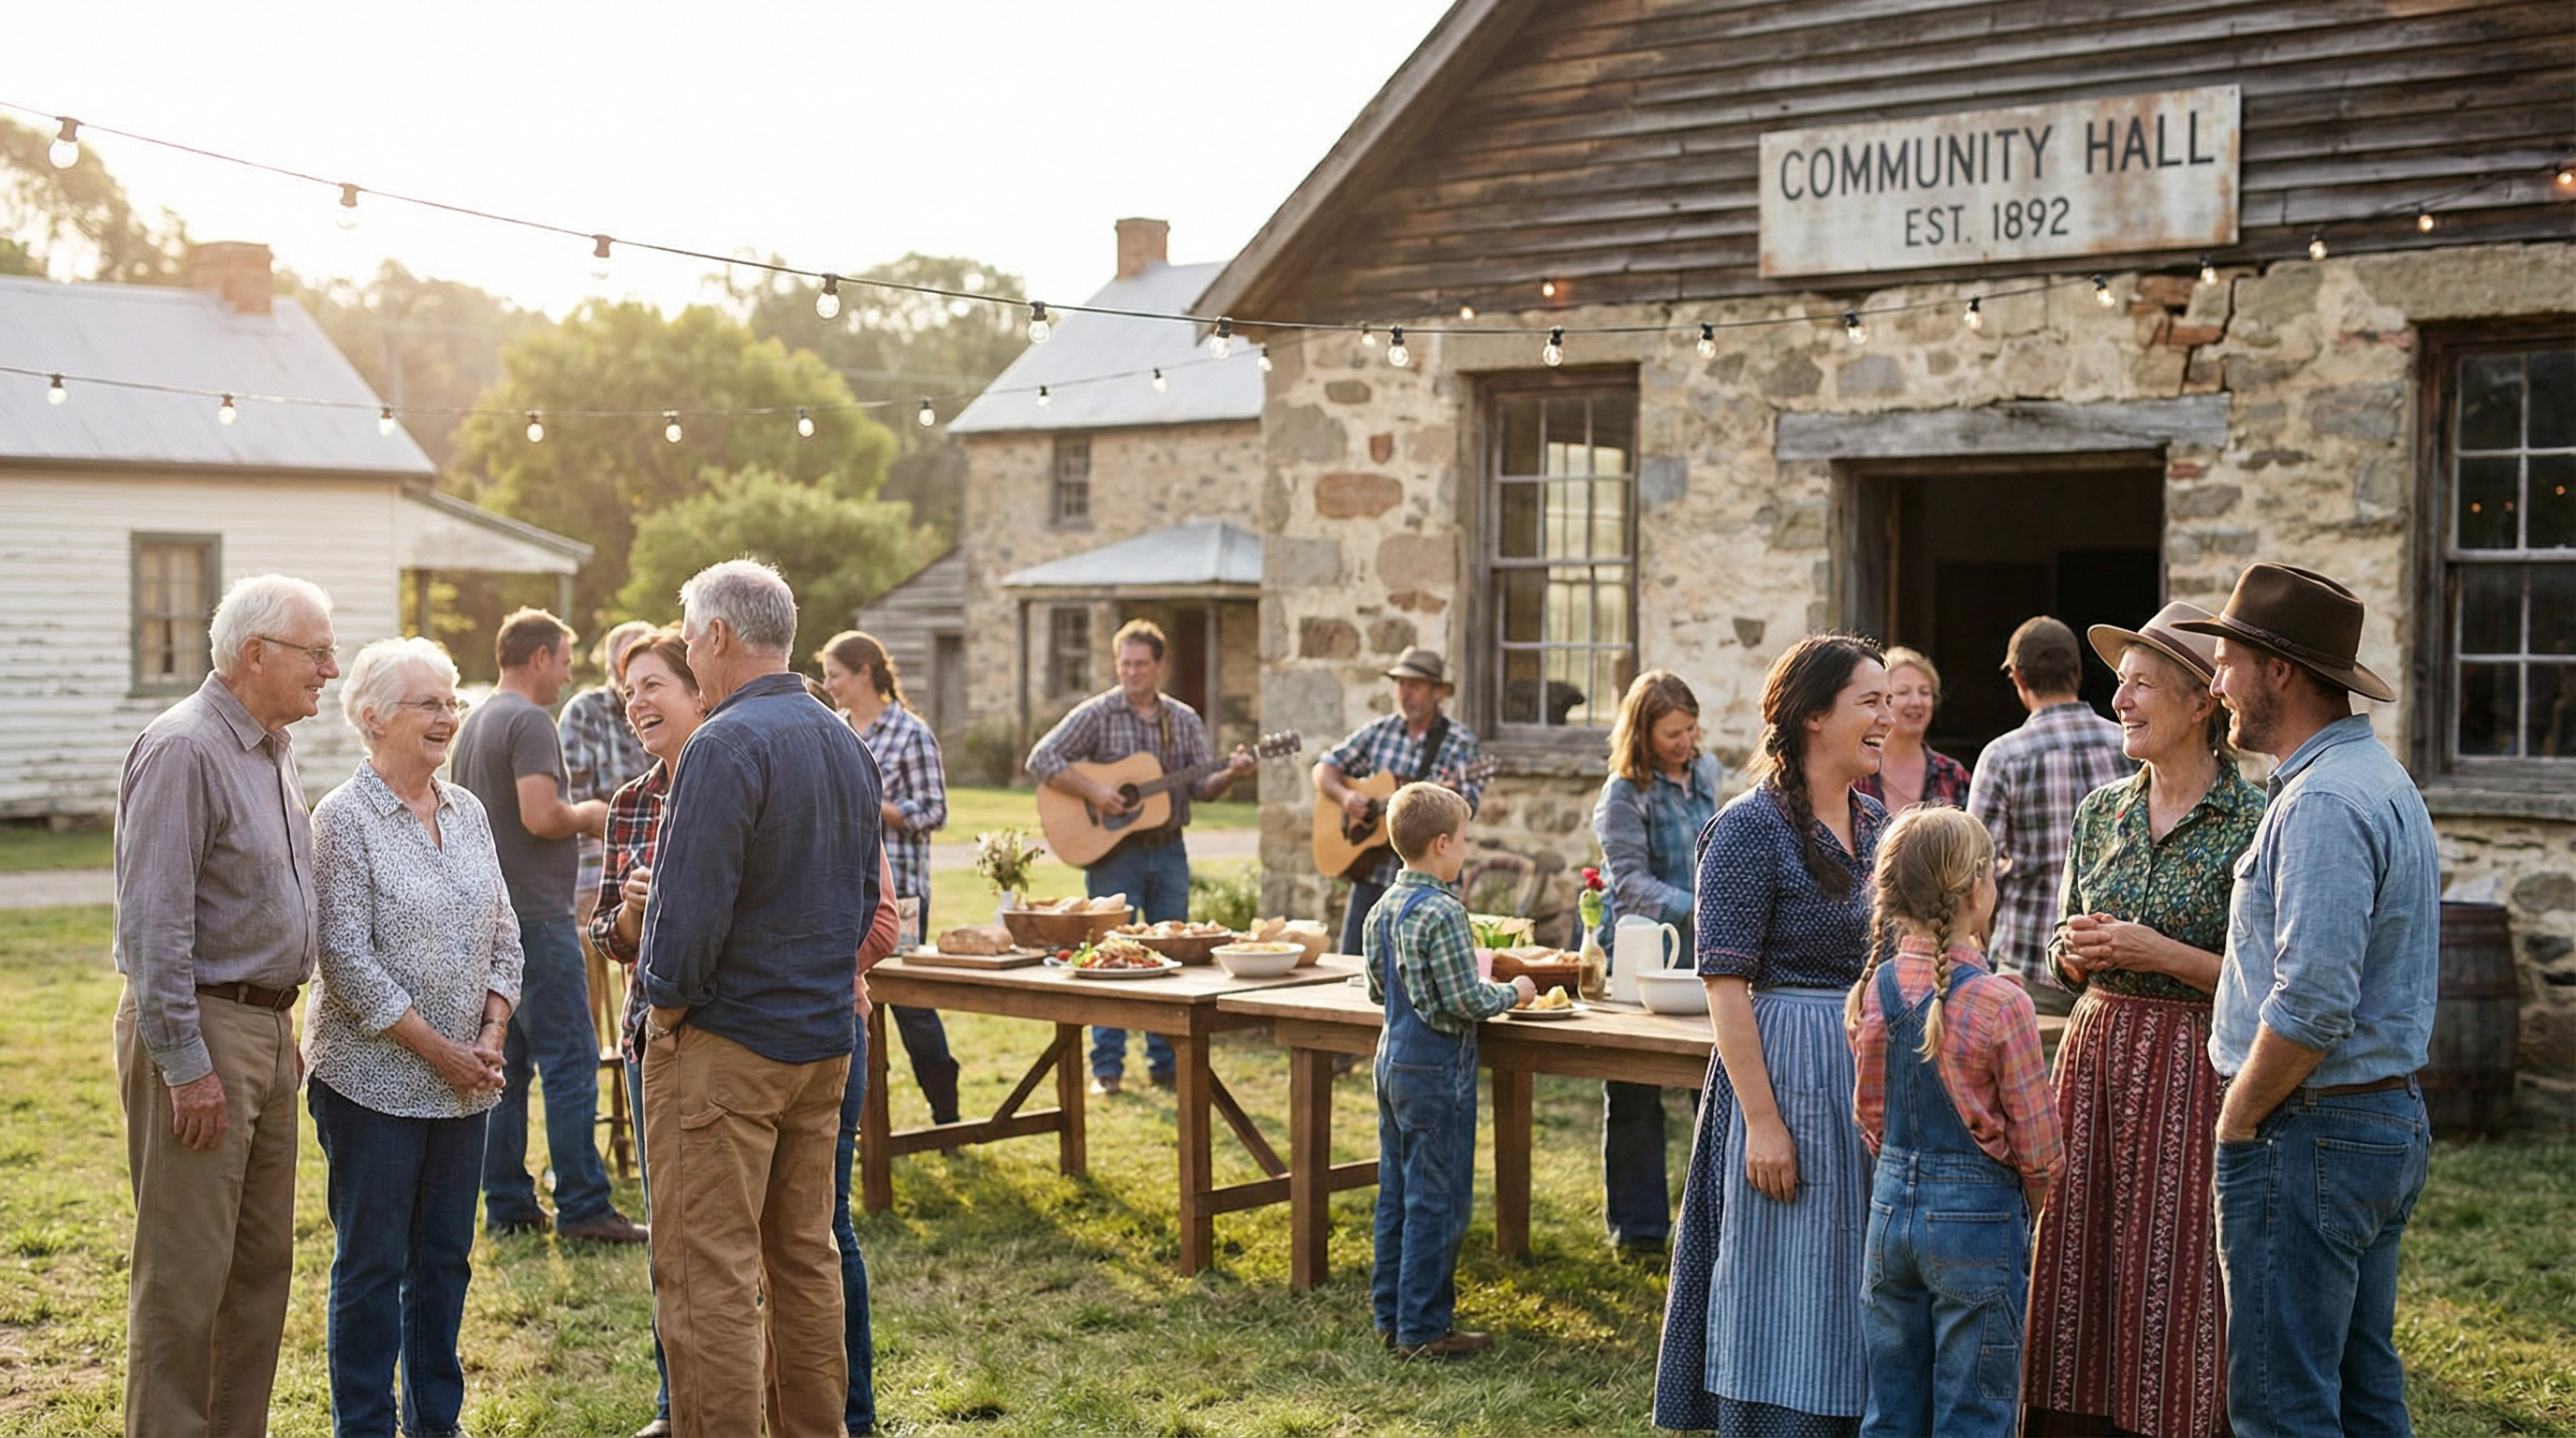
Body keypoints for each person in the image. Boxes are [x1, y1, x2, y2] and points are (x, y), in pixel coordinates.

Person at [2176, 565, 2439, 1438]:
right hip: (2371, 1122)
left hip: (2311, 1128)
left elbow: (2315, 1003)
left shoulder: (2324, 801)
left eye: (2223, 662)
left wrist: (2238, 1119)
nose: (2216, 685)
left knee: (2282, 1405)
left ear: (2277, 670)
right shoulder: (2374, 777)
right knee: (2362, 1390)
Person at [637, 560, 884, 1438]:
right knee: (805, 1261)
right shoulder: (845, 739)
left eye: (690, 636)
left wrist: (662, 1012)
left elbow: (689, 911)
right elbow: (864, 900)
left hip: (729, 1048)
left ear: (717, 638)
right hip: (821, 1044)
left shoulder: (723, 743)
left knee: (708, 1278)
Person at [2024, 602, 2262, 1438]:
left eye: (2141, 686)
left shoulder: (2254, 821)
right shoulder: (2101, 813)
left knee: (2180, 1258)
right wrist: (2075, 953)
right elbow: (2058, 943)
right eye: (2118, 685)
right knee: (2081, 1246)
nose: (2119, 701)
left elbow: (2265, 982)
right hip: (2095, 1055)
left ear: (2204, 703)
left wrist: (2160, 953)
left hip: (2198, 1065)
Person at [112, 572, 335, 1438]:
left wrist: (280, 1029)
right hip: (201, 1030)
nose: (329, 668)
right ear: (256, 654)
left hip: (265, 1031)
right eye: (315, 653)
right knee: (184, 1275)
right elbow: (152, 923)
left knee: (257, 1269)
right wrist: (186, 1063)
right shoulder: (185, 749)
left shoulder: (270, 749)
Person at [1655, 635, 1891, 1437]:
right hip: (1781, 1072)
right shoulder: (1747, 830)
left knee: (1849, 1271)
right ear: (1814, 716)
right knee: (1781, 1274)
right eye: (1870, 701)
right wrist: (1762, 1121)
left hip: (1862, 1073)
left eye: (1889, 701)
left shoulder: (1879, 822)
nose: (1886, 718)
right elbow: (1723, 984)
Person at [305, 638, 523, 1438]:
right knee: (372, 1268)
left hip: (469, 1084)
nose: (446, 716)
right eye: (427, 703)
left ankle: (438, 1421)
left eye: (450, 701)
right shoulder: (343, 819)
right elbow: (348, 962)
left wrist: (491, 1033)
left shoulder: (467, 811)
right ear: (372, 718)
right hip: (370, 1083)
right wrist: (444, 1051)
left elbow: (507, 934)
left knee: (444, 1264)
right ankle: (364, 1425)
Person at [1848, 806, 2061, 1438]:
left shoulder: (1875, 991)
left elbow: (1871, 1119)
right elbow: (2042, 1153)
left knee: (1891, 1408)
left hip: (1889, 1217)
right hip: (1978, 1226)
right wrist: (2026, 1211)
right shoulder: (2002, 1003)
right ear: (1976, 892)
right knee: (1973, 1412)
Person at [448, 609, 640, 1243]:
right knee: (572, 1058)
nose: (566, 672)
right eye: (563, 658)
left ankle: (506, 1203)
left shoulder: (477, 721)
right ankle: (585, 1205)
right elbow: (539, 814)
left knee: (510, 1065)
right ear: (537, 659)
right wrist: (590, 814)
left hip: (490, 917)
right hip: (537, 917)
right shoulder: (530, 720)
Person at [1026, 618, 1255, 1093]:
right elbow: (1041, 759)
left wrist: (1232, 773)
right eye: (1124, 663)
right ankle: (1106, 1068)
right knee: (1109, 954)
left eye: (1140, 664)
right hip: (1114, 854)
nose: (1131, 672)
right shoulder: (1098, 713)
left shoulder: (1183, 720)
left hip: (1168, 850)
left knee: (1176, 956)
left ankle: (1169, 1063)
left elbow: (1204, 788)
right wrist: (1095, 791)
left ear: (1160, 666)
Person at [1365, 783, 1538, 1359]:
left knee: (1397, 1191)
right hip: (1436, 1069)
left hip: (1390, 1062)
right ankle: (1423, 1329)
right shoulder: (1443, 910)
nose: (1466, 848)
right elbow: (1465, 999)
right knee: (1439, 1199)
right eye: (1464, 839)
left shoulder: (1380, 909)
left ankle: (1389, 1315)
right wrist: (1513, 991)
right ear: (1441, 844)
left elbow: (1375, 990)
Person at [587, 626, 701, 1438]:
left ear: (701, 690)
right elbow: (605, 933)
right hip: (647, 1040)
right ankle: (676, 1404)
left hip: (730, 1040)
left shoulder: (736, 780)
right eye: (630, 689)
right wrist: (628, 914)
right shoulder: (630, 803)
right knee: (670, 1228)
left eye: (654, 683)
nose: (637, 702)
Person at [1589, 669, 1720, 1258]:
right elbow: (1629, 883)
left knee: (1712, 1085)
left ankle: (1711, 1222)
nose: (1685, 742)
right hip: (1641, 953)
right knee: (1636, 1090)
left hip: (1705, 951)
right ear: (1643, 733)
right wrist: (1698, 905)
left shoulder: (1707, 774)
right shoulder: (1623, 793)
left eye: (1690, 729)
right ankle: (1640, 1229)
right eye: (1672, 733)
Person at [819, 630, 961, 1126]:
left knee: (909, 1006)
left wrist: (870, 804)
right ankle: (865, 1122)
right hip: (840, 889)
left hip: (900, 891)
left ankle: (946, 1104)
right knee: (855, 999)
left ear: (864, 673)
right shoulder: (833, 729)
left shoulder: (911, 733)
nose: (828, 684)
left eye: (835, 675)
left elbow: (934, 812)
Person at [1967, 616, 2132, 1016]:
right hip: (2119, 960)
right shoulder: (2128, 744)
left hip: (2030, 961)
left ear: (2019, 679)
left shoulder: (2003, 756)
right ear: (2077, 673)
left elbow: (1972, 863)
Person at [1314, 648, 1487, 961]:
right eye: (1400, 684)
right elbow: (1324, 768)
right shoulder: (1380, 732)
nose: (1405, 694)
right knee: (1353, 965)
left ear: (1438, 692)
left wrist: (1444, 799)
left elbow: (1466, 808)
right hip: (1374, 874)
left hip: (1430, 883)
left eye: (1415, 685)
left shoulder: (1460, 742)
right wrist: (1346, 797)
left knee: (1428, 967)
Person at [561, 619, 657, 926]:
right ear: (613, 668)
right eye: (628, 657)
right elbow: (573, 801)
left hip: (657, 862)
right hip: (597, 865)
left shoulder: (667, 709)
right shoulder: (585, 712)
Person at [1853, 646, 1970, 812]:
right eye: (1903, 692)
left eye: (1924, 692)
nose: (1916, 702)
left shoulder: (1953, 774)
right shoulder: (1857, 771)